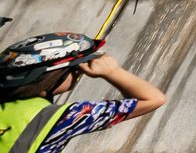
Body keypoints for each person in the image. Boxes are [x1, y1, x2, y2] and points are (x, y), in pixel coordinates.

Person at [0, 32, 166, 152]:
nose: (78, 75)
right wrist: (113, 71)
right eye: (76, 70)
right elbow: (153, 99)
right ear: (51, 75)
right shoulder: (63, 117)